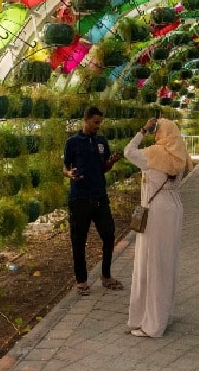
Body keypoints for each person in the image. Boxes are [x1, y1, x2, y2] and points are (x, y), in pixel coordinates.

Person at [124, 116, 194, 338]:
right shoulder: (180, 156)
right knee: (166, 262)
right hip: (173, 208)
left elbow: (128, 151)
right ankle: (161, 316)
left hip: (155, 210)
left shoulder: (153, 154)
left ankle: (151, 324)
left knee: (151, 262)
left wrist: (142, 131)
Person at [62, 106, 124, 296]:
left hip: (100, 197)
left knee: (109, 235)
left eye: (100, 123)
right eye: (95, 122)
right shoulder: (72, 142)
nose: (98, 126)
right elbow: (65, 168)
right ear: (86, 120)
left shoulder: (101, 141)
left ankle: (106, 275)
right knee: (78, 240)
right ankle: (81, 281)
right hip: (80, 198)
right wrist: (69, 174)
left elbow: (104, 167)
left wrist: (111, 162)